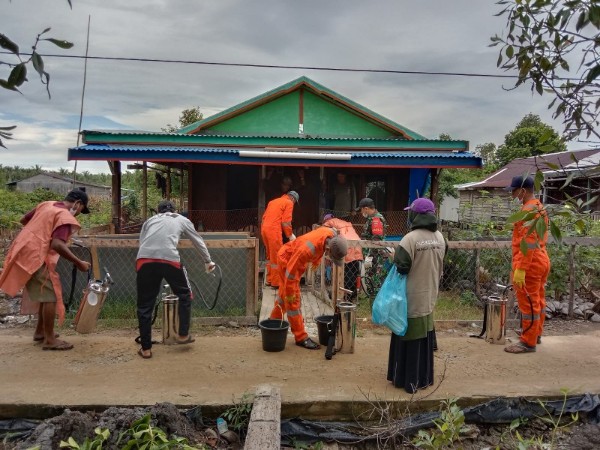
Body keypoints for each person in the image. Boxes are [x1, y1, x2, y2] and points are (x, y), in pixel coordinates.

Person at [0, 189, 92, 351]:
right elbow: (57, 244)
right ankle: (49, 340)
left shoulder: (46, 205)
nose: (77, 214)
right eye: (81, 210)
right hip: (36, 257)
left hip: (24, 251)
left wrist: (39, 234)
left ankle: (40, 332)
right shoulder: (64, 217)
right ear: (77, 204)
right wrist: (79, 263)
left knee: (45, 293)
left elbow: (24, 220)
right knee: (51, 296)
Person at [136, 200, 216, 359]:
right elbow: (197, 240)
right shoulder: (181, 219)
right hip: (169, 259)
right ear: (175, 210)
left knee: (145, 305)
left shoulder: (150, 221)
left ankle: (146, 349)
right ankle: (183, 334)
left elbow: (142, 241)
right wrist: (208, 261)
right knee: (185, 294)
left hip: (144, 260)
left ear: (158, 211)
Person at [389, 198, 446, 393]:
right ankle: (423, 379)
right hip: (429, 295)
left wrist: (394, 258)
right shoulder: (440, 237)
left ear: (416, 215)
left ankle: (407, 380)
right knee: (424, 337)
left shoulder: (409, 239)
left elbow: (402, 268)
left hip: (410, 297)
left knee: (408, 336)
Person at [270, 227, 348, 349]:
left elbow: (325, 234)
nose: (330, 259)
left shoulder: (331, 235)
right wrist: (291, 295)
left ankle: (273, 321)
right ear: (328, 248)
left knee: (282, 296)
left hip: (292, 258)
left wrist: (316, 259)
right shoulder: (306, 251)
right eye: (331, 256)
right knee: (292, 300)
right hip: (287, 261)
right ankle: (301, 337)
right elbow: (290, 276)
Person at [504, 176, 550, 354]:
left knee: (528, 304)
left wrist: (521, 269)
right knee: (538, 300)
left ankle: (528, 342)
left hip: (530, 263)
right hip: (541, 259)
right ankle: (536, 334)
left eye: (515, 191)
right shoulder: (539, 207)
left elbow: (528, 242)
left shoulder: (528, 212)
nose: (513, 194)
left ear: (523, 191)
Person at [260, 190, 299, 289]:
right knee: (278, 256)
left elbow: (264, 218)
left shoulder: (272, 202)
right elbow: (286, 222)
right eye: (295, 202)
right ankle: (276, 283)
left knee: (270, 255)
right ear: (293, 199)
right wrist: (290, 235)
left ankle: (269, 280)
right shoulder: (289, 202)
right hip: (274, 231)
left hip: (264, 229)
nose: (294, 204)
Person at [322, 213, 363, 299]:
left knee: (345, 274)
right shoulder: (344, 223)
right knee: (353, 273)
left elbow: (323, 232)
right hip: (358, 247)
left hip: (346, 248)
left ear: (326, 220)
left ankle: (343, 296)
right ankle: (351, 295)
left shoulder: (329, 223)